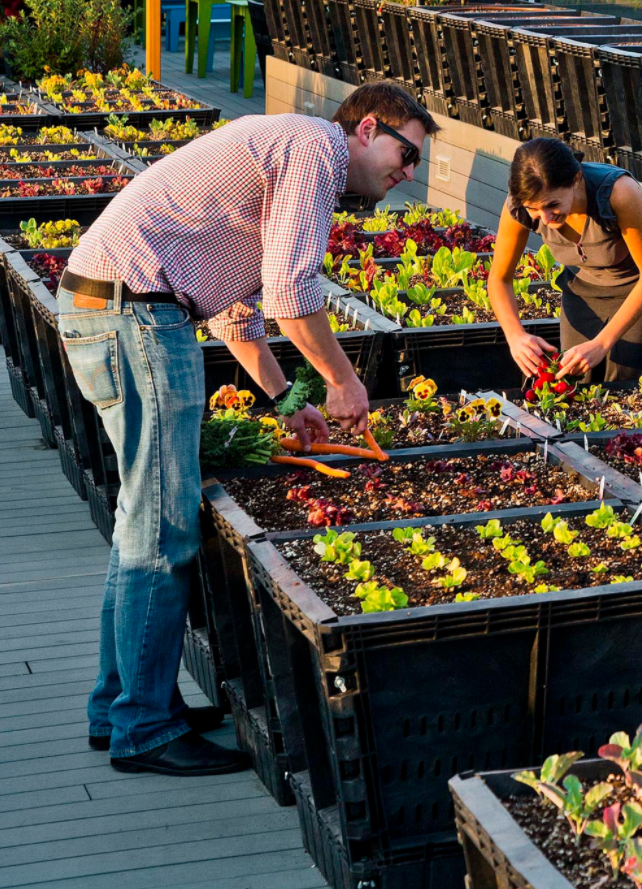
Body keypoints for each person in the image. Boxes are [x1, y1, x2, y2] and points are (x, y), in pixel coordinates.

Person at [58, 82, 436, 776]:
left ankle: (119, 703)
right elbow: (294, 293)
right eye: (405, 153)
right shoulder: (316, 149)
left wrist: (288, 397)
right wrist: (344, 381)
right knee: (164, 530)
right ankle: (143, 729)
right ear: (366, 128)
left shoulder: (289, 147)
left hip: (106, 310)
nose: (407, 173)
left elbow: (240, 311)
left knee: (141, 518)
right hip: (136, 318)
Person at [489, 138, 642, 384]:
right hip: (585, 286)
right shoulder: (518, 207)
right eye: (534, 209)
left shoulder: (619, 193)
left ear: (576, 179)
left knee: (632, 383)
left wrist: (601, 343)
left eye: (553, 204)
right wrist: (515, 335)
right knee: (575, 380)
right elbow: (499, 278)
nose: (546, 218)